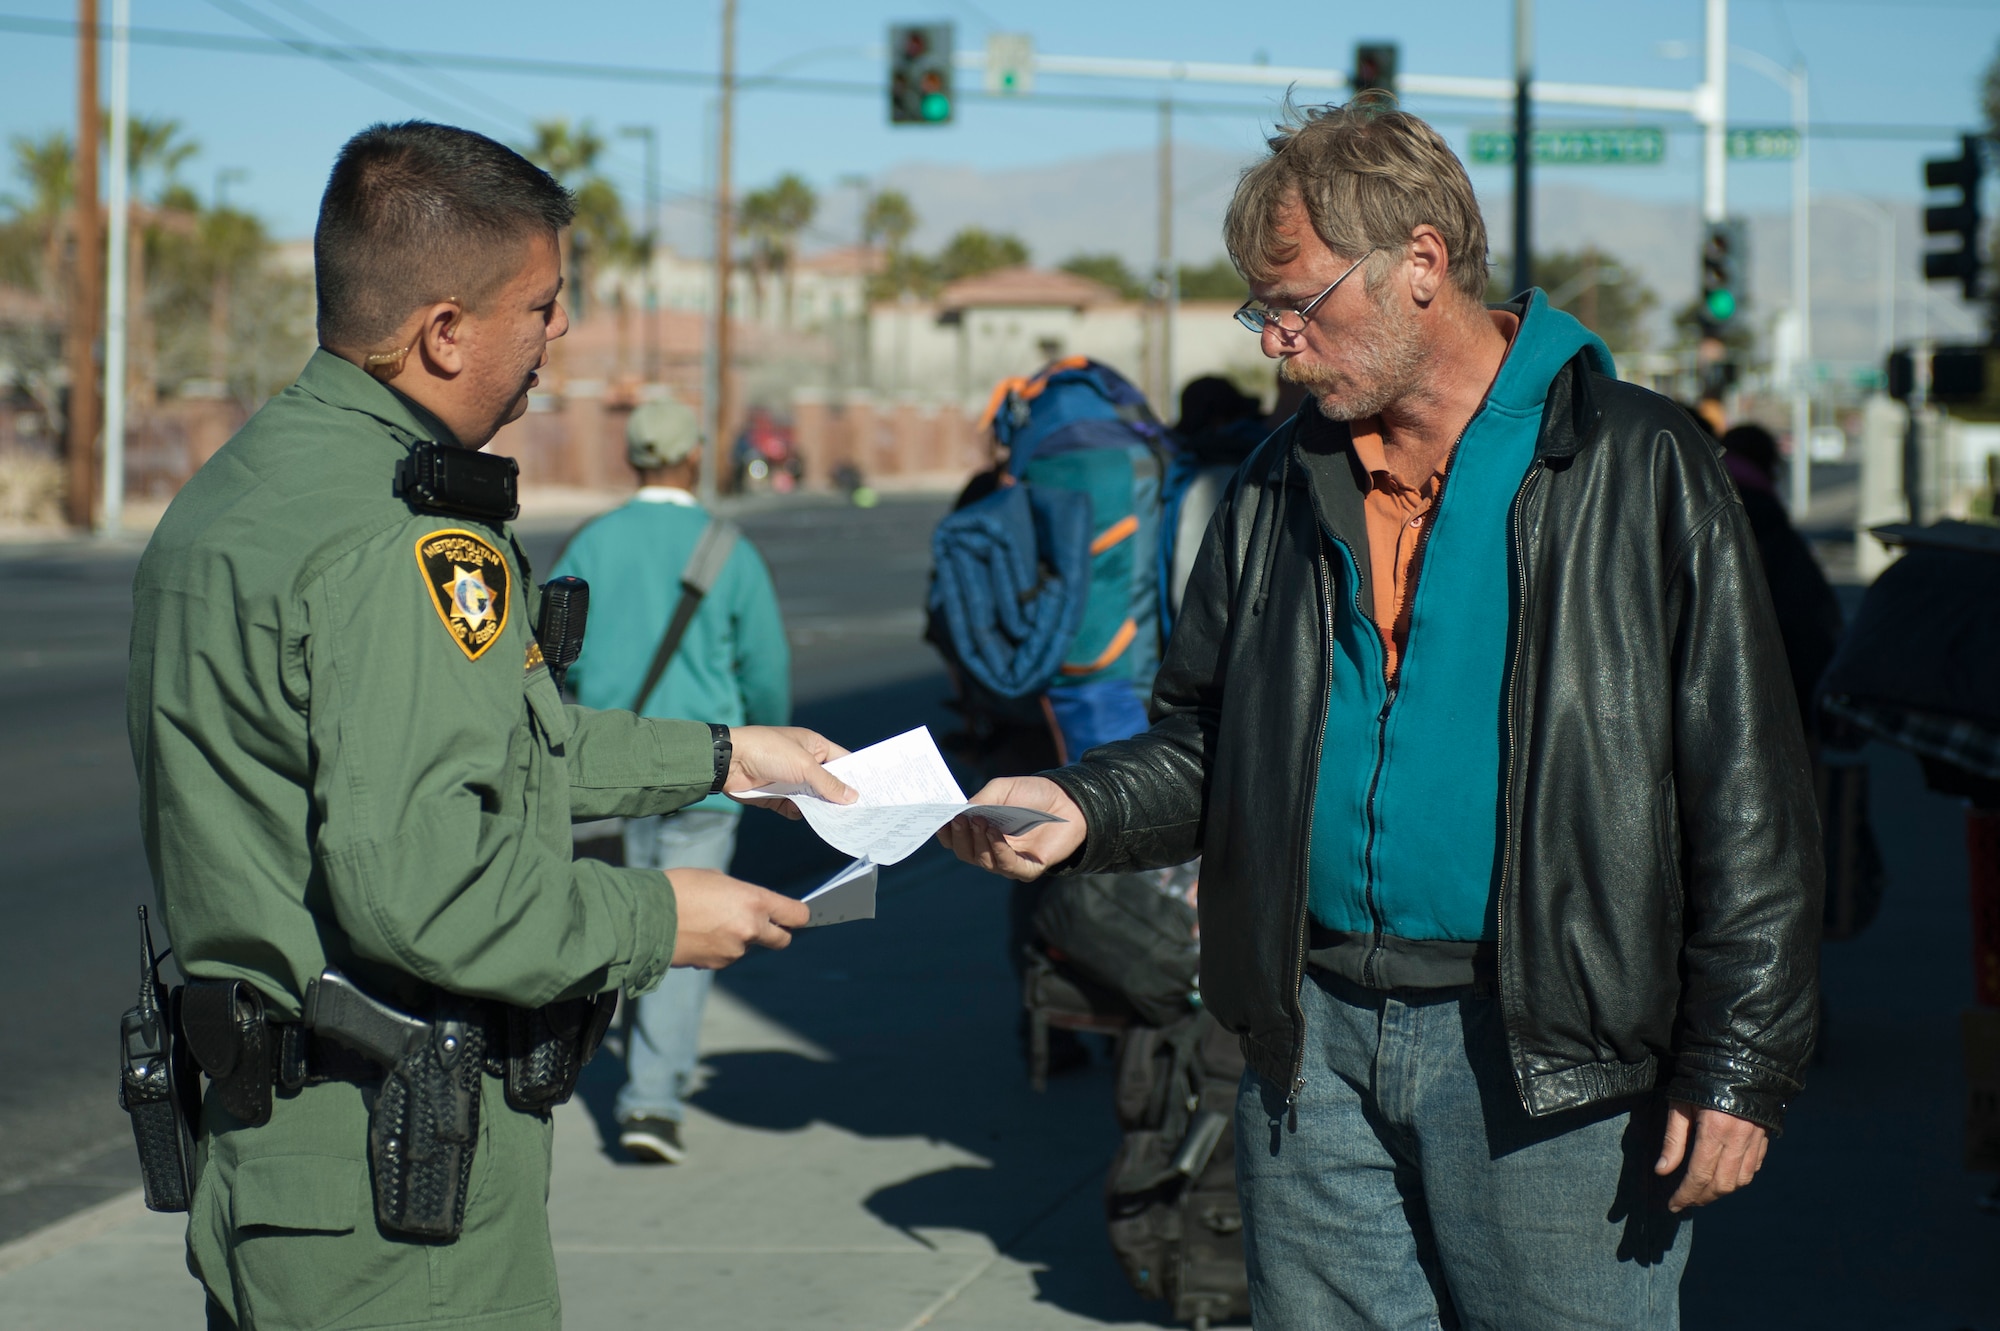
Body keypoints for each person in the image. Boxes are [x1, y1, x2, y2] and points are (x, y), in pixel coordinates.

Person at [941, 94, 1822, 1329]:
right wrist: (1077, 803)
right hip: (1309, 1048)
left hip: (1550, 1064)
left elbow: (1748, 792)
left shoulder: (1638, 464)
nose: (1275, 344)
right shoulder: (1273, 479)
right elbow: (1207, 735)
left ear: (1419, 262)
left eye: (1298, 304)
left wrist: (1739, 1062)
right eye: (1262, 310)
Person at [126, 120, 853, 1329]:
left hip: (279, 1165)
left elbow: (486, 753)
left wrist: (722, 757)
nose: (557, 335)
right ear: (443, 330)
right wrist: (658, 915)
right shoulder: (402, 539)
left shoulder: (256, 484)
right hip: (392, 1189)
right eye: (542, 305)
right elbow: (423, 889)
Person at [551, 398, 791, 1163]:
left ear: (632, 458)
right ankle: (652, 1099)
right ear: (692, 457)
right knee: (686, 923)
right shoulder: (726, 548)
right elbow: (765, 667)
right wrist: (775, 753)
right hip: (706, 769)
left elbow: (550, 650)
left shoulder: (592, 541)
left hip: (613, 763)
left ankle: (606, 1062)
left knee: (625, 910)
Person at [1718, 422, 1843, 733]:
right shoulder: (1762, 514)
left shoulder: (1701, 492)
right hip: (1769, 681)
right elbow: (1803, 613)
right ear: (1769, 465)